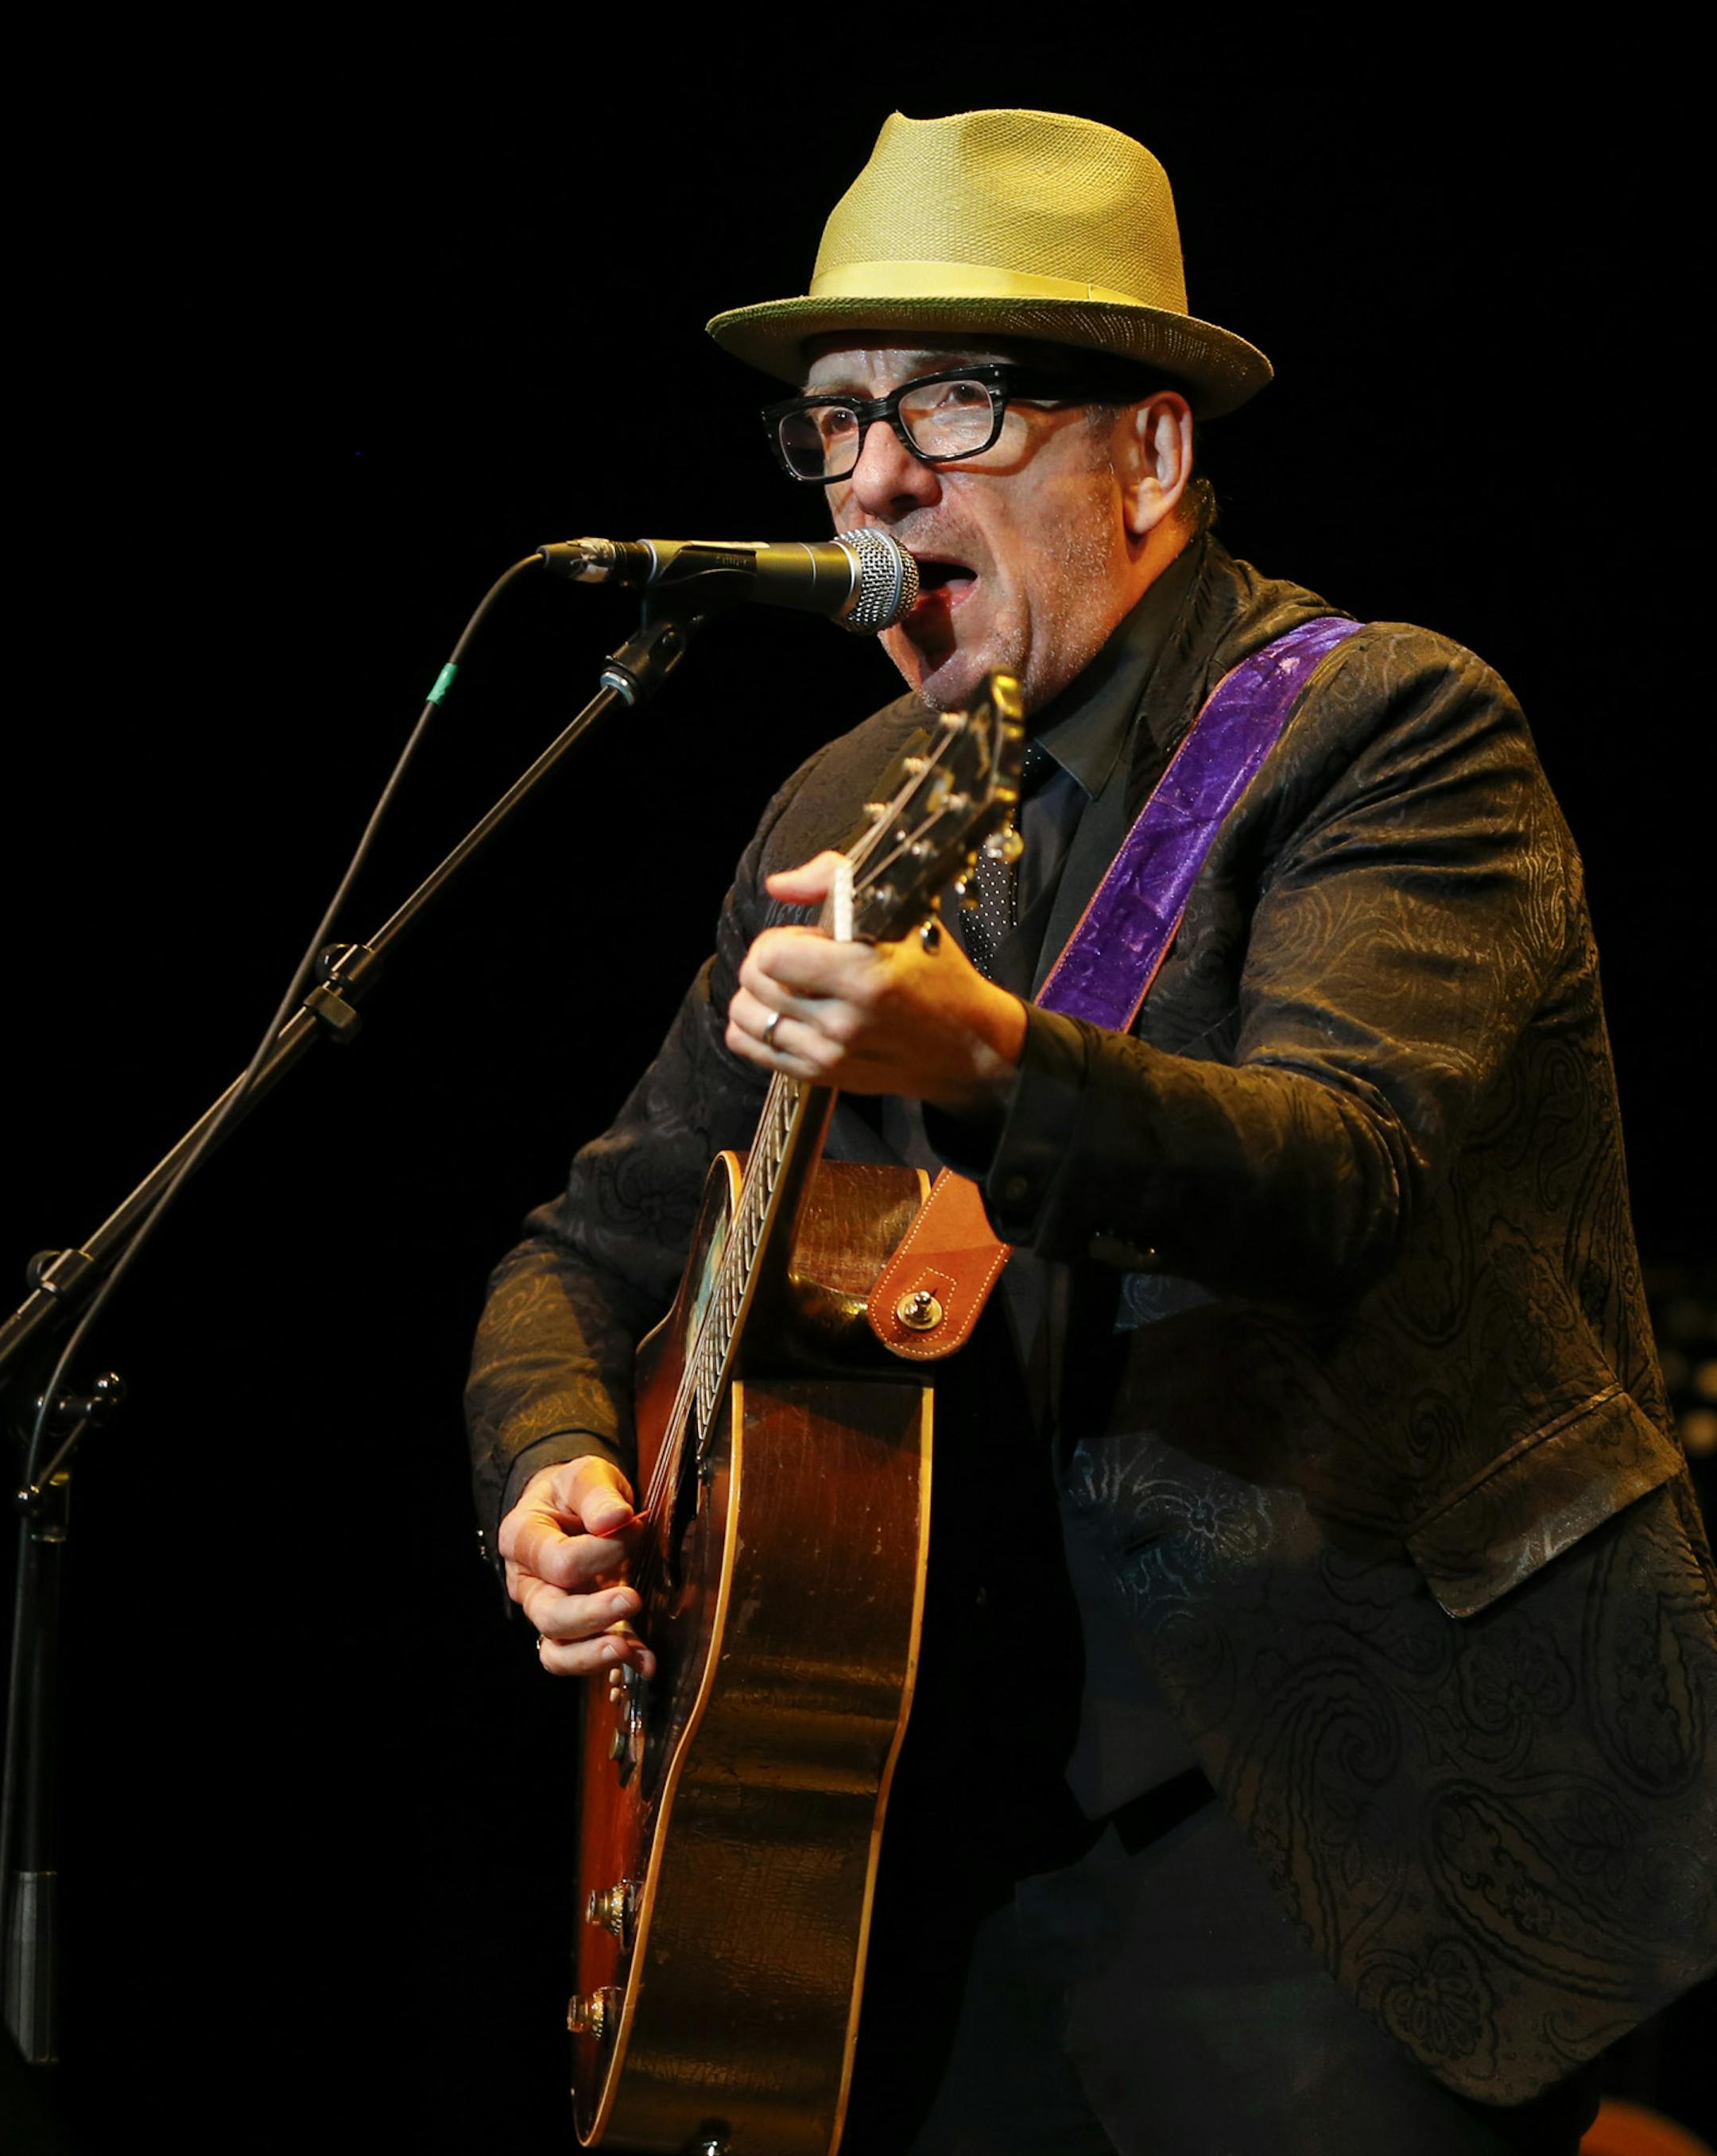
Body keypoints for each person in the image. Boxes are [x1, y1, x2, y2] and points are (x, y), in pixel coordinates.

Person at [465, 109, 1717, 2154]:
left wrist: (982, 1057)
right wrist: (561, 1464)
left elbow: (1345, 1170)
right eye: (836, 421)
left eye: (953, 407)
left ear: (1149, 453)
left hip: (1343, 1800)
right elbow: (581, 1257)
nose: (874, 476)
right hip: (914, 1828)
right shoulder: (834, 805)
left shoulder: (1383, 724)